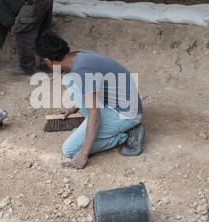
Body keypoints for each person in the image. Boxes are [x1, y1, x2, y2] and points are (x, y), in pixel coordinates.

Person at [35, 32, 146, 170]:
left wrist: (83, 154)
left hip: (126, 115)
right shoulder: (80, 56)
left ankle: (125, 135)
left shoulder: (82, 70)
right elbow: (91, 86)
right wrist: (75, 106)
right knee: (69, 78)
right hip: (117, 103)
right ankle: (103, 131)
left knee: (69, 150)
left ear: (47, 61)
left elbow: (95, 114)